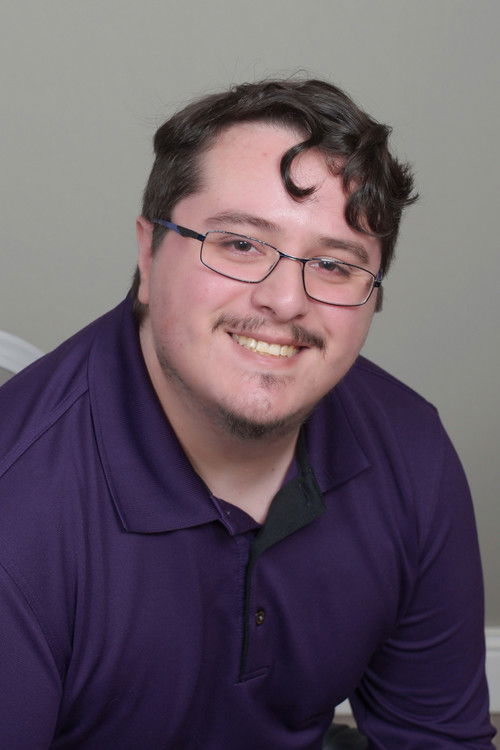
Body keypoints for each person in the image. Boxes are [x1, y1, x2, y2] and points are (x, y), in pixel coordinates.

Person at [0, 78, 495, 749]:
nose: (286, 301)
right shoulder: (17, 507)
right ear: (149, 252)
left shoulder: (409, 451)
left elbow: (437, 740)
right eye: (240, 244)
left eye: (334, 264)